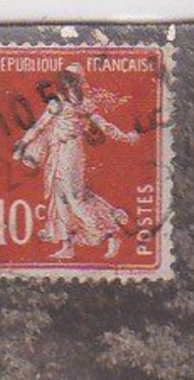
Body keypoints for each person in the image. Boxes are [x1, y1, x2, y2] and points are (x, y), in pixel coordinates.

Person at [12, 63, 141, 261]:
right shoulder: (57, 104)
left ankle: (109, 233)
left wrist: (125, 137)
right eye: (65, 80)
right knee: (60, 198)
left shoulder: (83, 105)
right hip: (57, 153)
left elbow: (103, 126)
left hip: (71, 154)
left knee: (73, 198)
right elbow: (38, 127)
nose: (66, 83)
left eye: (69, 80)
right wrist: (23, 144)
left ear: (75, 82)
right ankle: (68, 245)